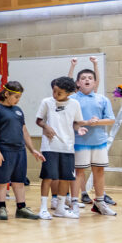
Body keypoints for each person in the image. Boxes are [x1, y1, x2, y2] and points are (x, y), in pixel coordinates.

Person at [0, 81, 45, 220]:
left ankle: (21, 208)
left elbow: (24, 131)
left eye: (19, 97)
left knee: (19, 180)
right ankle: (2, 208)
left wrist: (32, 149)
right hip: (4, 150)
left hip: (19, 150)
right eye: (16, 96)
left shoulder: (18, 110)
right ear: (7, 93)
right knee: (2, 181)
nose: (18, 99)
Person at [35, 76, 86, 219]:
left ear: (69, 93)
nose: (55, 95)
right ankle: (43, 208)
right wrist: (46, 126)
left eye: (59, 93)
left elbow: (76, 122)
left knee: (65, 178)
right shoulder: (46, 102)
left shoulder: (75, 104)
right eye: (54, 91)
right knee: (48, 177)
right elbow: (39, 120)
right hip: (50, 146)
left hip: (67, 146)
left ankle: (60, 209)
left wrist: (79, 129)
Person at [70, 63, 117, 217]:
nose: (87, 80)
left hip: (99, 141)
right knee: (79, 172)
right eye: (83, 78)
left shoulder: (102, 99)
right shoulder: (72, 99)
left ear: (95, 82)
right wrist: (84, 123)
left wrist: (97, 122)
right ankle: (75, 203)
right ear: (78, 83)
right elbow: (69, 121)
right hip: (79, 142)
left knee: (99, 171)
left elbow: (110, 120)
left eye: (90, 78)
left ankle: (100, 202)